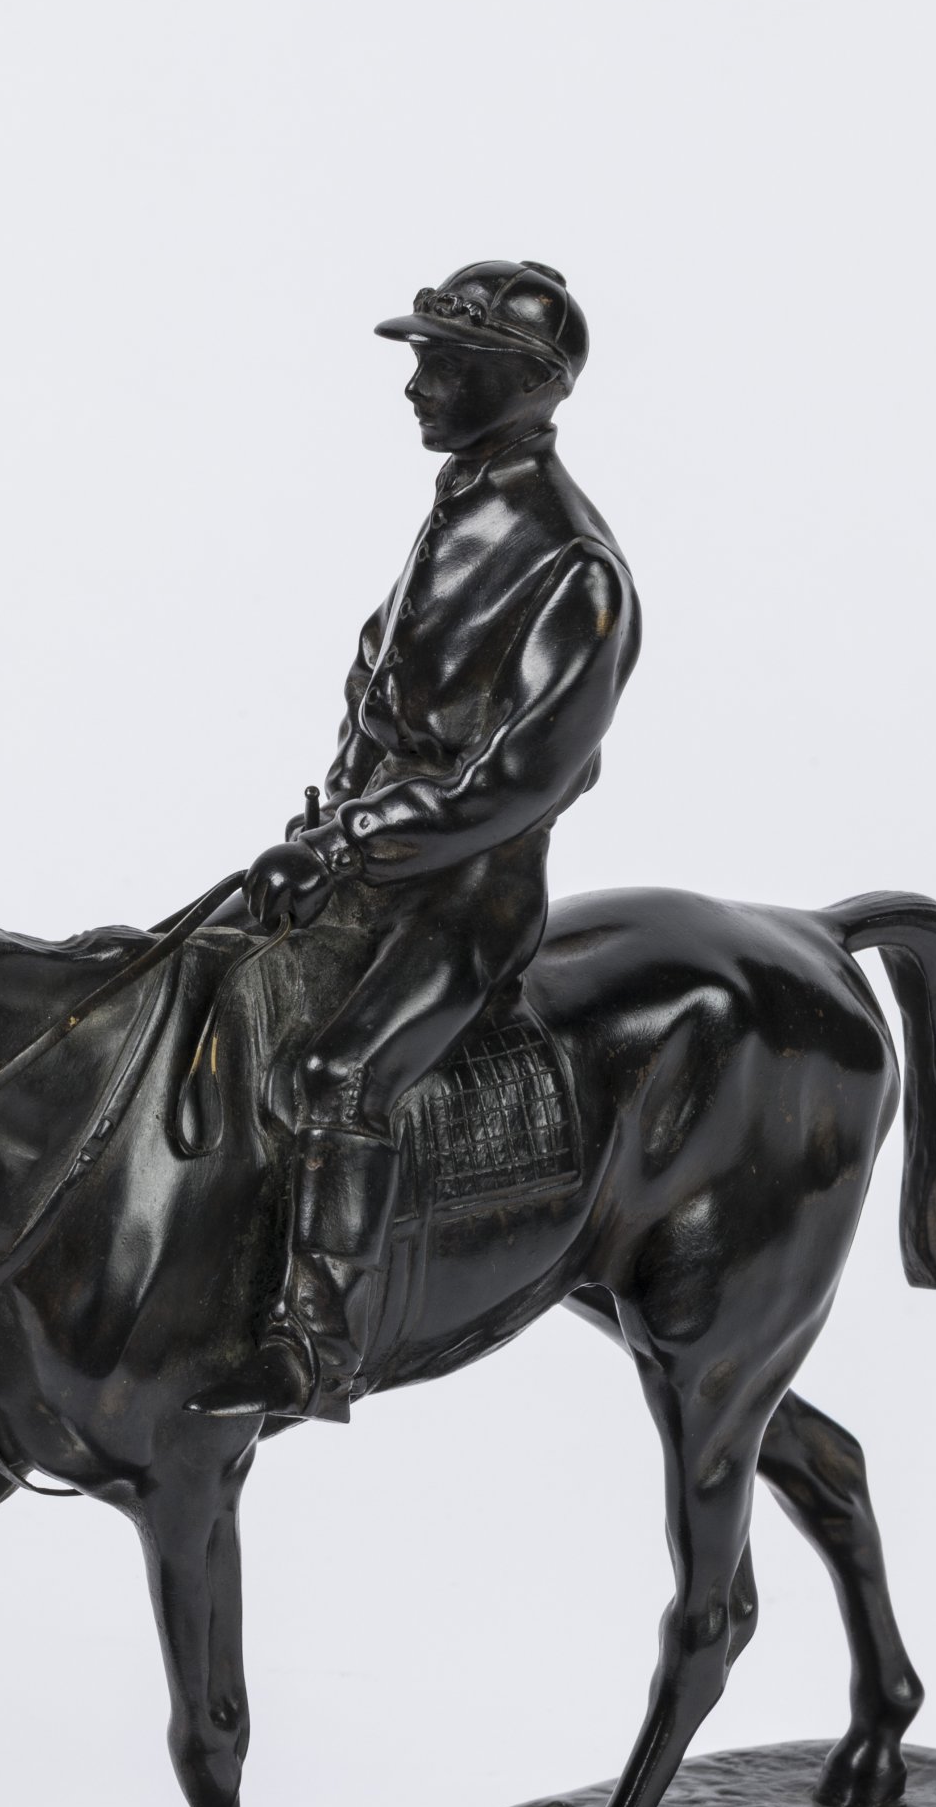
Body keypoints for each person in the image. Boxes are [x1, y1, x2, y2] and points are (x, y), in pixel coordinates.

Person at [203, 259, 641, 1423]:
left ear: (527, 382)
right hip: (361, 869)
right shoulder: (457, 507)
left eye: (443, 364)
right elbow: (378, 702)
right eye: (419, 360)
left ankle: (315, 1340)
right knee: (190, 985)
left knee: (334, 1075)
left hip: (461, 903)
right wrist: (323, 833)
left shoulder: (572, 567)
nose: (414, 384)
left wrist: (348, 845)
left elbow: (513, 781)